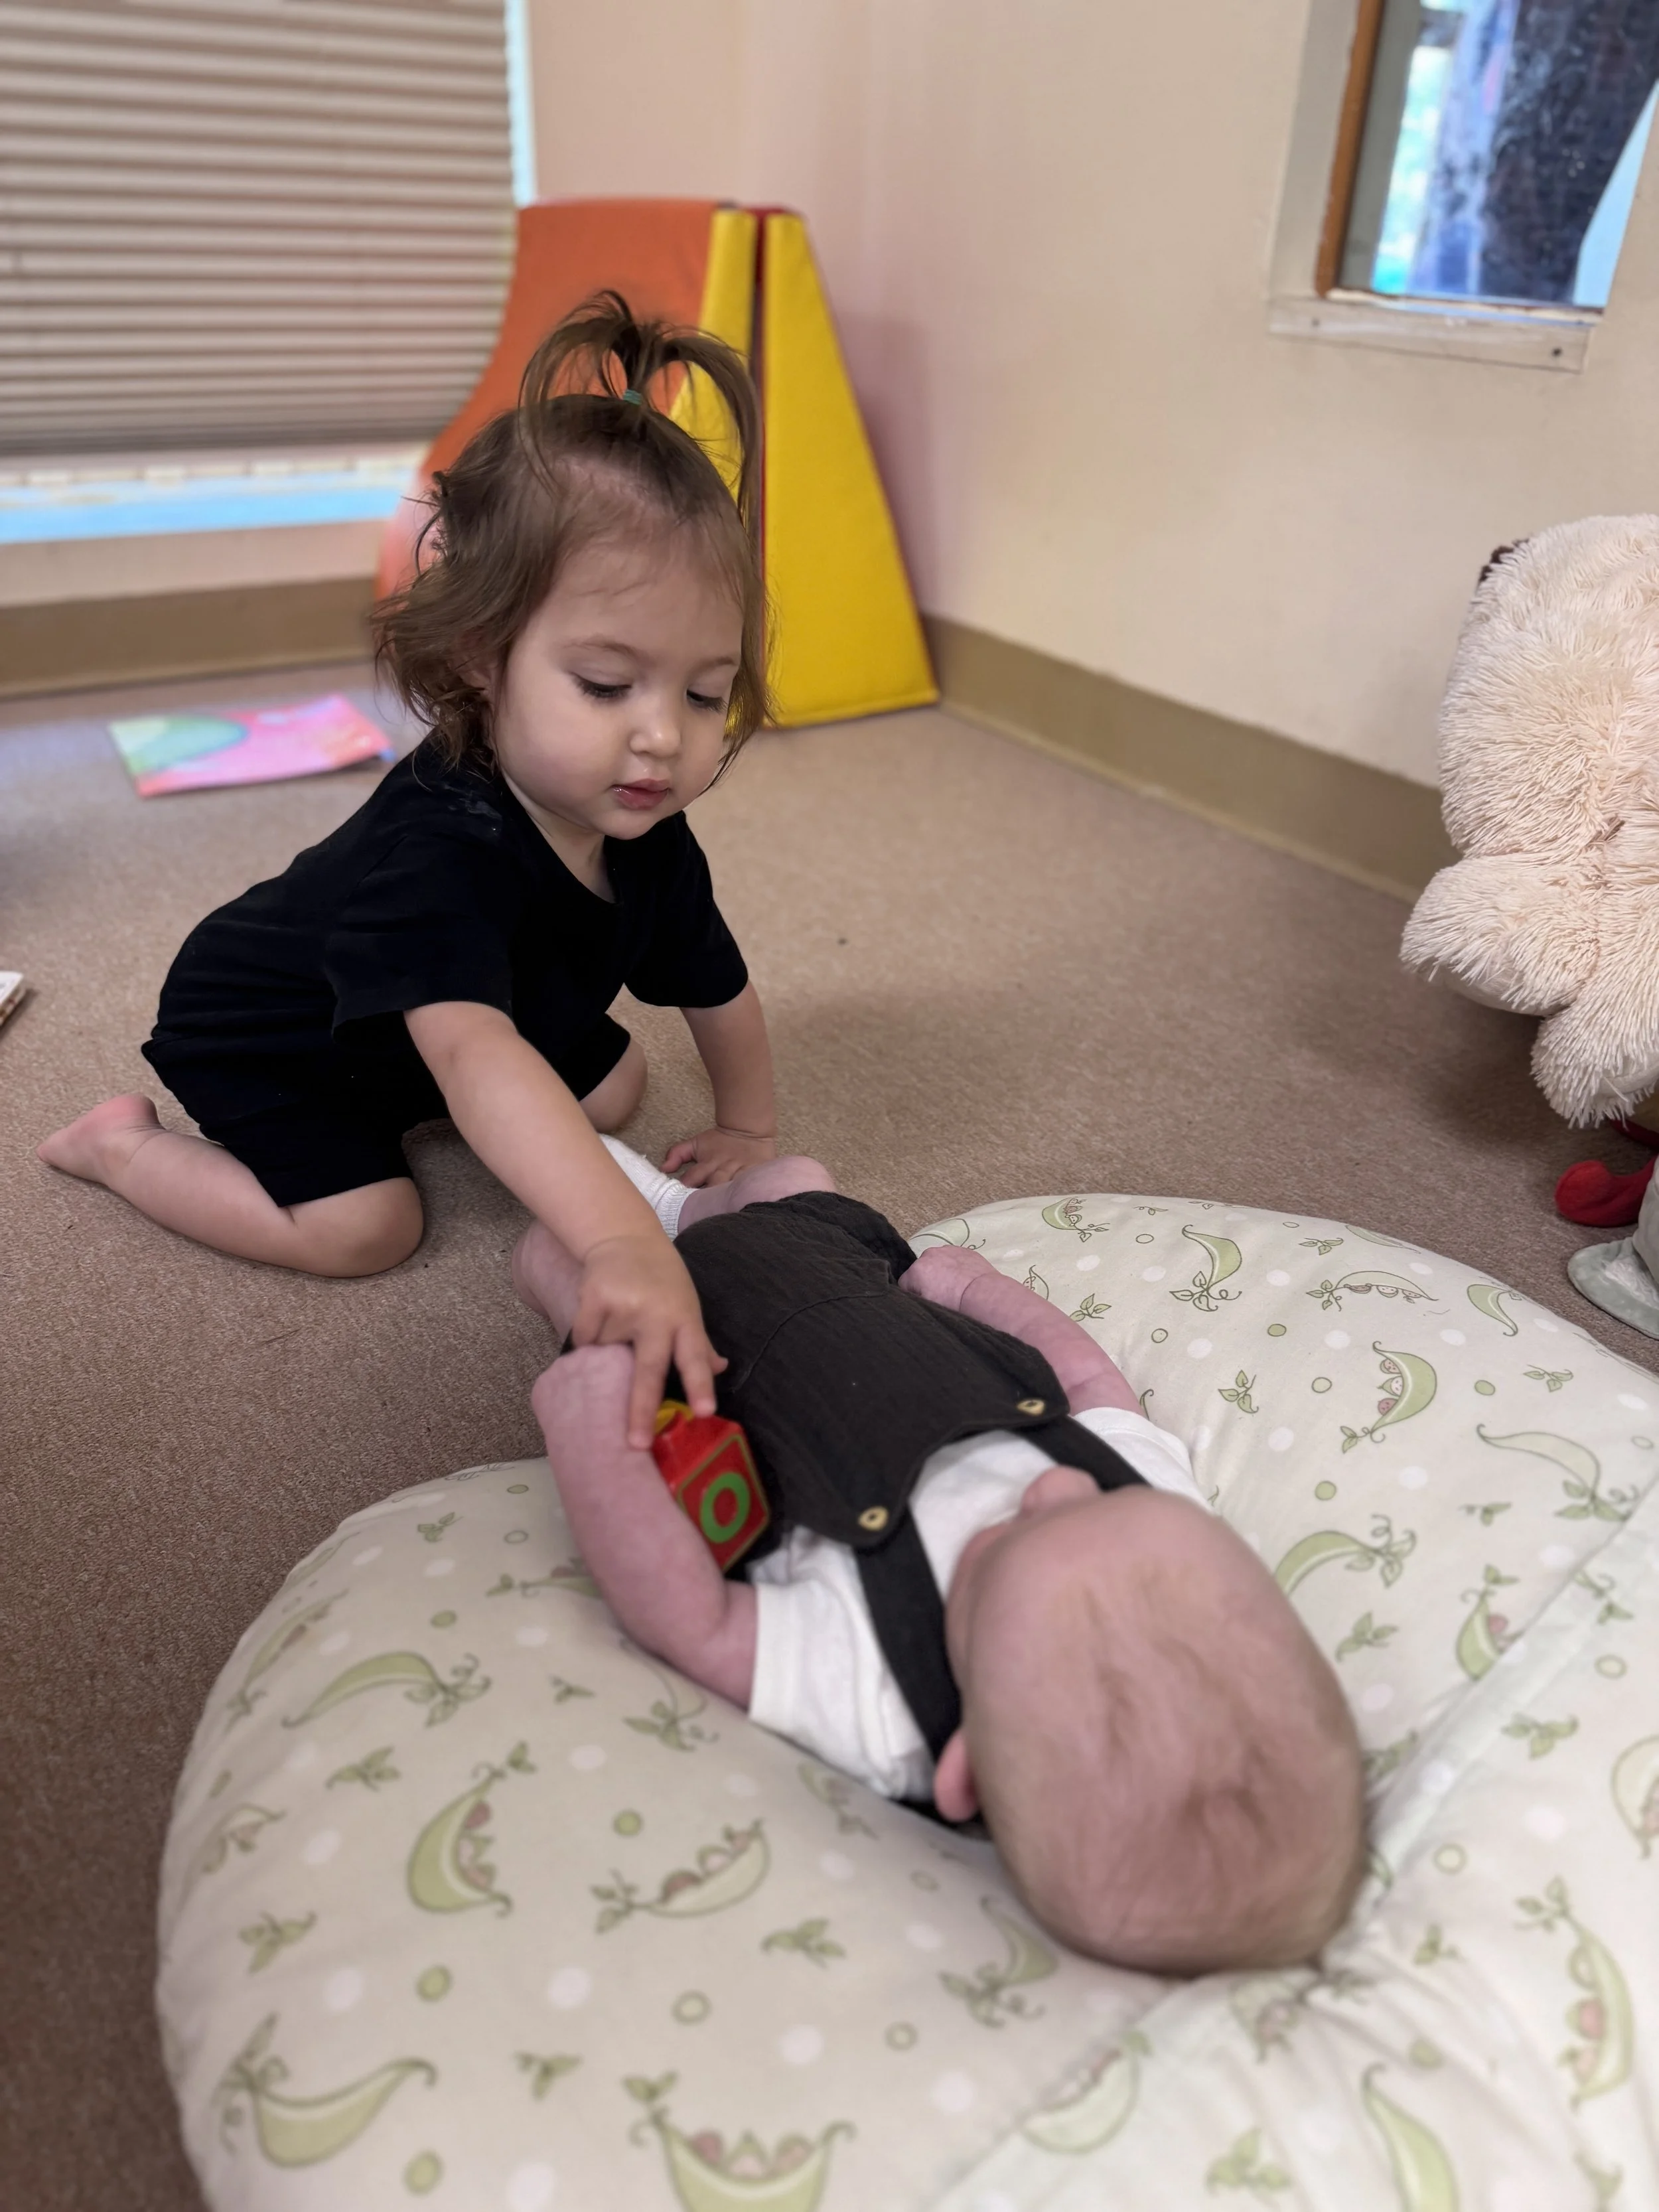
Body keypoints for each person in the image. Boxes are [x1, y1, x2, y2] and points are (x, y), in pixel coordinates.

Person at [40, 296, 777, 1441]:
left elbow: (712, 982)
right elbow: (476, 1050)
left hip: (443, 1014)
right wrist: (626, 1242)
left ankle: (425, 1101)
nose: (663, 738)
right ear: (483, 656)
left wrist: (753, 1124)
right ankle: (118, 1147)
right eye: (605, 683)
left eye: (701, 691)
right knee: (367, 1228)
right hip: (279, 1032)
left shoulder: (639, 823)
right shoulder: (436, 848)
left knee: (615, 1087)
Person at [518, 1147, 1368, 1976]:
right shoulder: (1157, 1503)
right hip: (836, 1283)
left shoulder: (880, 1704)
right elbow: (1089, 1385)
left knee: (550, 1255)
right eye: (1099, 1500)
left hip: (690, 1357)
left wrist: (592, 1425)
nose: (1050, 1490)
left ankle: (613, 1203)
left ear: (960, 1767)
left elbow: (688, 1619)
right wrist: (972, 1290)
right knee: (797, 1182)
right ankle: (689, 1209)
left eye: (1000, 1546)